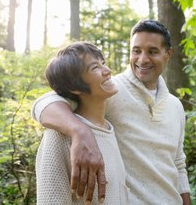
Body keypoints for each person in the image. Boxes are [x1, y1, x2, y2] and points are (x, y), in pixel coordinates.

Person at [32, 20, 191, 204]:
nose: (143, 59)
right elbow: (44, 103)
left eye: (152, 51)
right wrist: (79, 131)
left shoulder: (175, 106)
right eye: (136, 51)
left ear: (168, 54)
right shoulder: (107, 91)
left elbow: (178, 164)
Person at [35, 42, 129, 204]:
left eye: (103, 63)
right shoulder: (59, 136)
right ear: (74, 87)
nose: (108, 71)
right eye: (95, 68)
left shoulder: (108, 128)